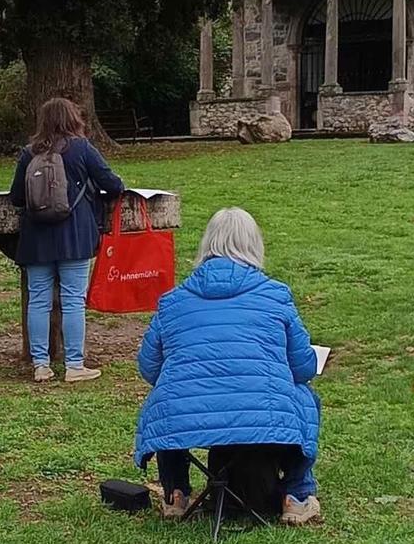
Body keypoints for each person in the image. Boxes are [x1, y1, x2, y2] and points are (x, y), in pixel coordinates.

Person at [133, 207, 323, 526]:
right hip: (262, 411)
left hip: (189, 413)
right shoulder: (275, 296)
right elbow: (303, 367)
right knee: (307, 400)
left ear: (206, 245)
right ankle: (296, 494)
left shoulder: (173, 301)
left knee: (167, 400)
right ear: (255, 245)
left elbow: (150, 369)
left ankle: (176, 492)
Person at [8, 97, 123, 383]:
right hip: (74, 234)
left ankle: (40, 365)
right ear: (73, 119)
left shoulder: (28, 152)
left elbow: (17, 198)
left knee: (38, 299)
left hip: (36, 237)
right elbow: (114, 185)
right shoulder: (82, 148)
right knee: (73, 299)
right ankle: (74, 365)